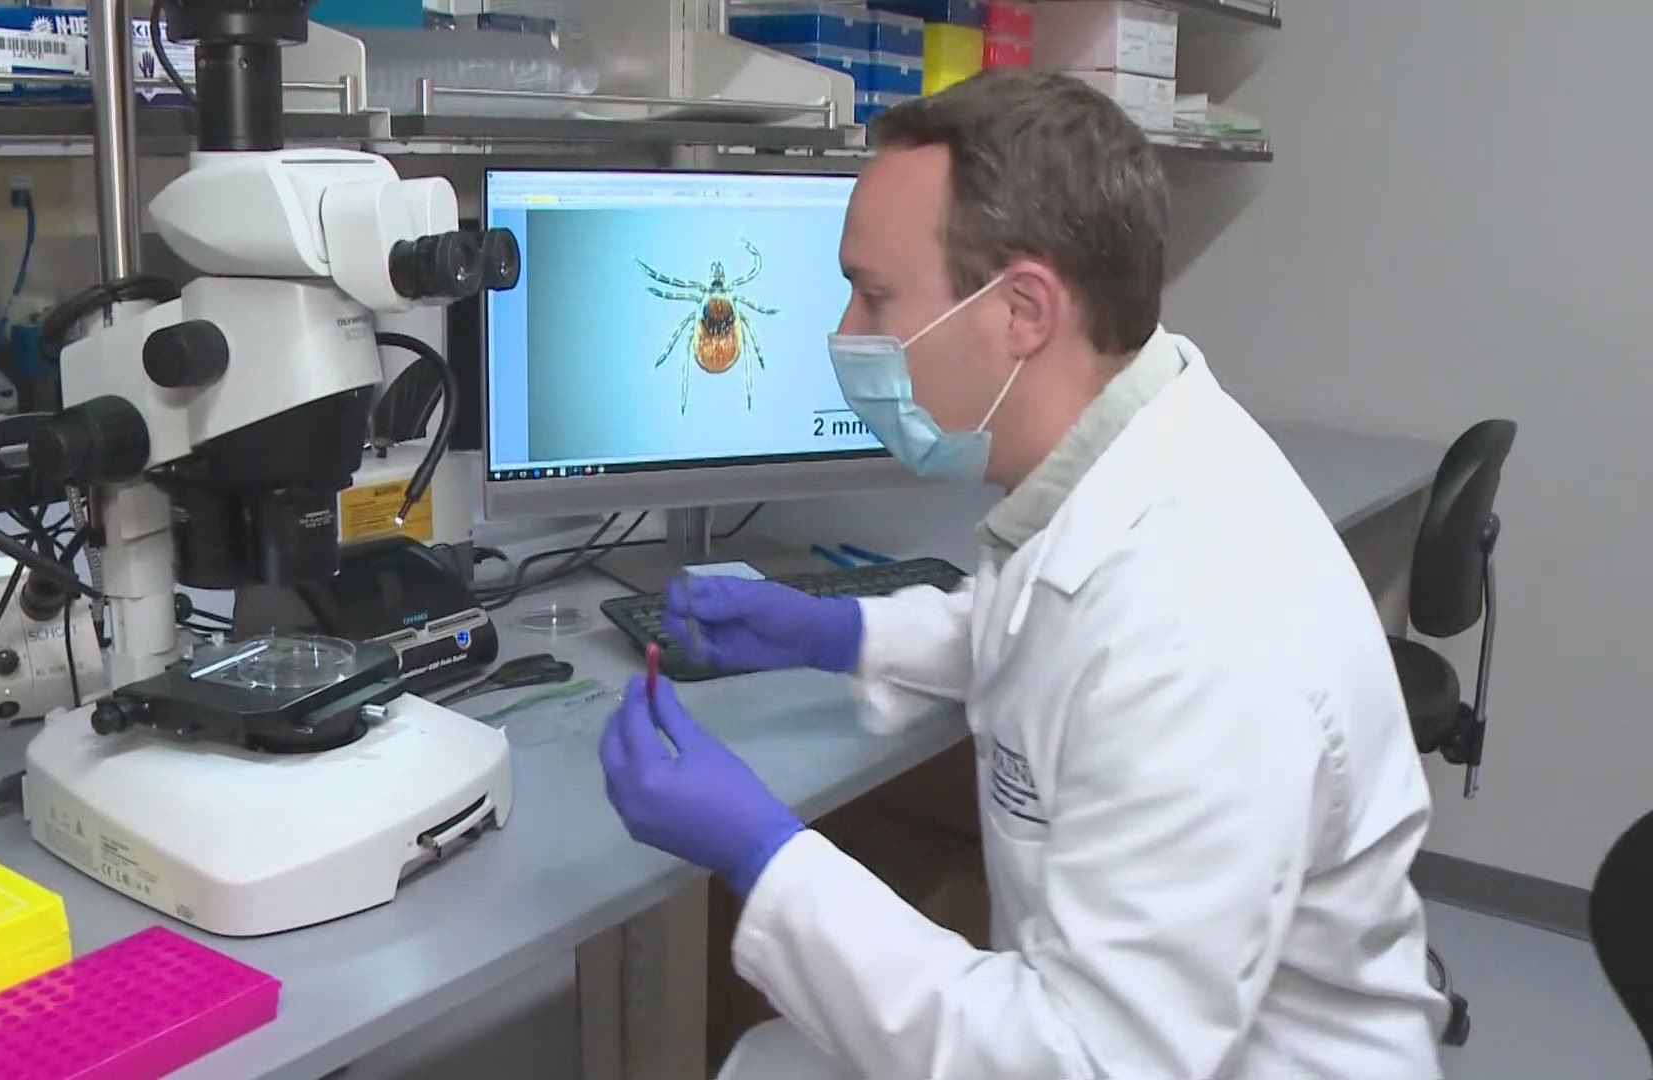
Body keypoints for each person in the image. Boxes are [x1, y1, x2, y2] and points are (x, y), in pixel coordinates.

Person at [597, 68, 1448, 1079]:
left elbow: (1084, 1062)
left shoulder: (1201, 627)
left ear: (1024, 311)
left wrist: (764, 854)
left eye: (874, 296)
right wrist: (833, 633)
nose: (846, 337)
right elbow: (1040, 630)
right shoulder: (1125, 450)